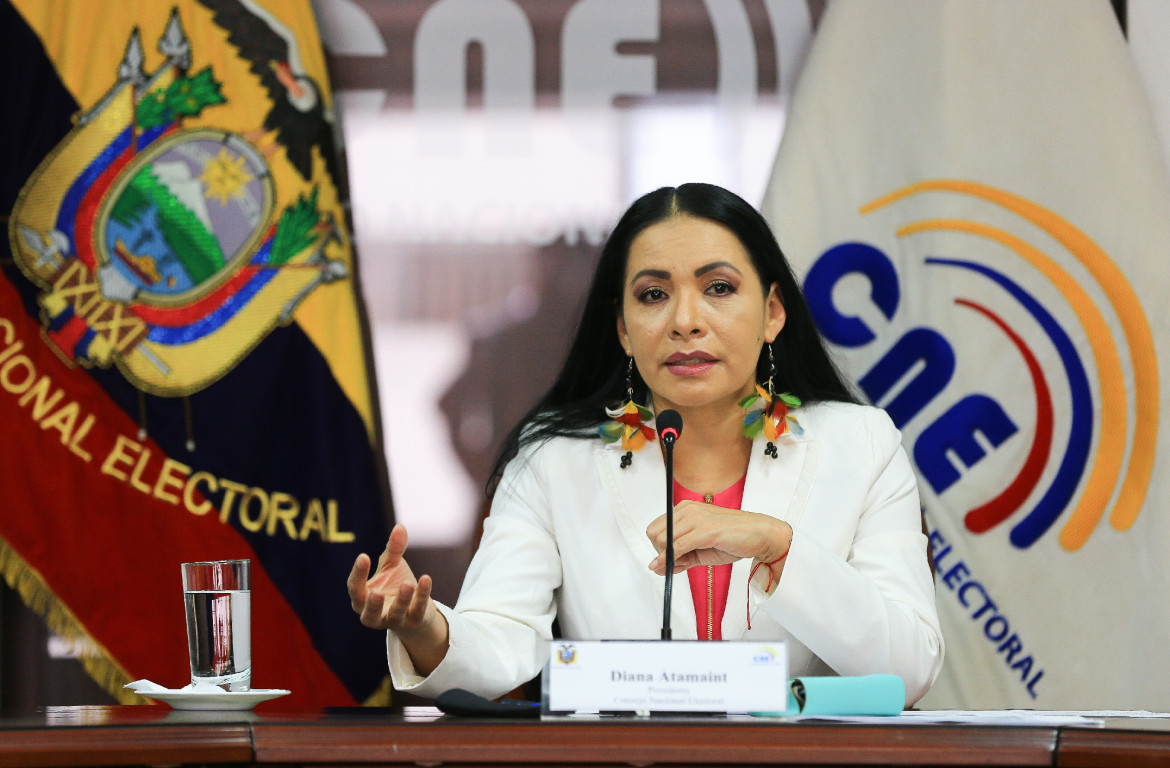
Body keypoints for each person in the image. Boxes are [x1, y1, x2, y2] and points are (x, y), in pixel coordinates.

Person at [348, 183, 944, 706]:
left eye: (718, 287)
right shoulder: (553, 460)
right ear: (623, 330)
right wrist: (424, 625)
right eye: (653, 295)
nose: (685, 320)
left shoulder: (861, 446)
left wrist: (776, 545)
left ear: (772, 313)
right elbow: (499, 645)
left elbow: (908, 666)